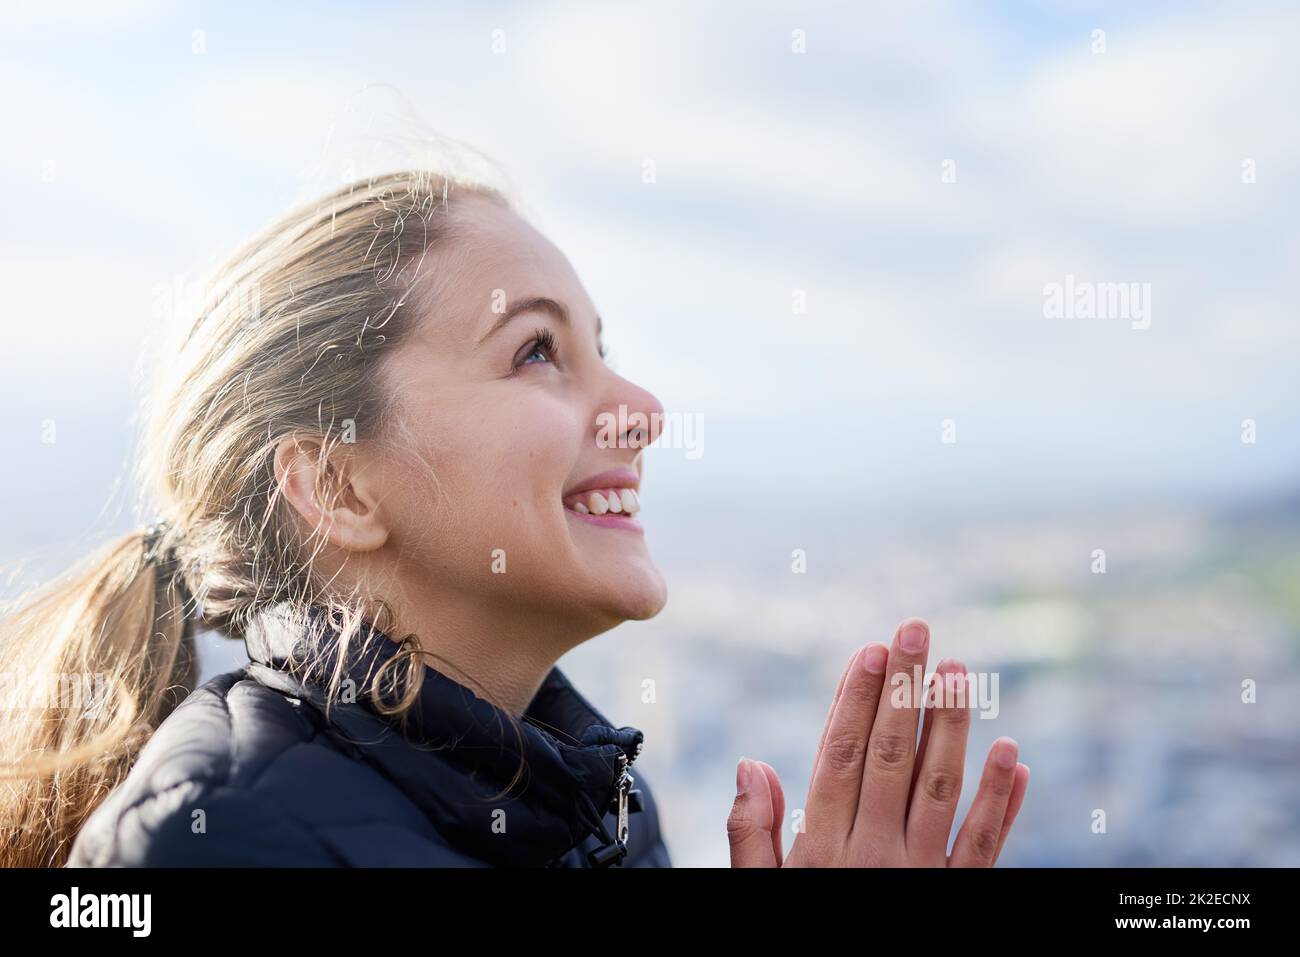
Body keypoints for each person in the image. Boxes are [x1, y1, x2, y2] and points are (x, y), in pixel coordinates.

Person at [0, 162, 1026, 868]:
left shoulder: (600, 806)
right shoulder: (215, 841)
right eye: (538, 351)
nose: (642, 411)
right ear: (338, 486)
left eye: (602, 348)